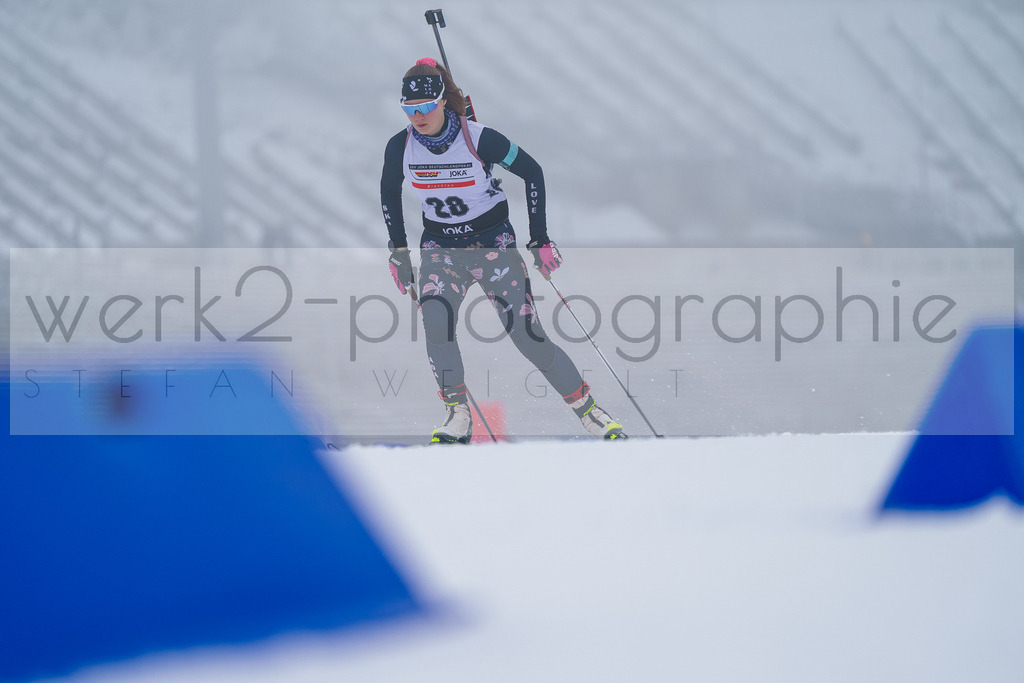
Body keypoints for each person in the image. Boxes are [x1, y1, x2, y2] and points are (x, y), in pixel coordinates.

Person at [380, 57, 626, 444]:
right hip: (441, 249)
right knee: (436, 322)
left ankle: (590, 412)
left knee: (527, 335)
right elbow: (388, 195)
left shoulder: (479, 137)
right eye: (409, 110)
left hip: (493, 245)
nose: (418, 117)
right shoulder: (400, 147)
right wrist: (399, 253)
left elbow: (533, 172)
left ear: (443, 101)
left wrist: (539, 238)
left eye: (426, 107)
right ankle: (457, 415)